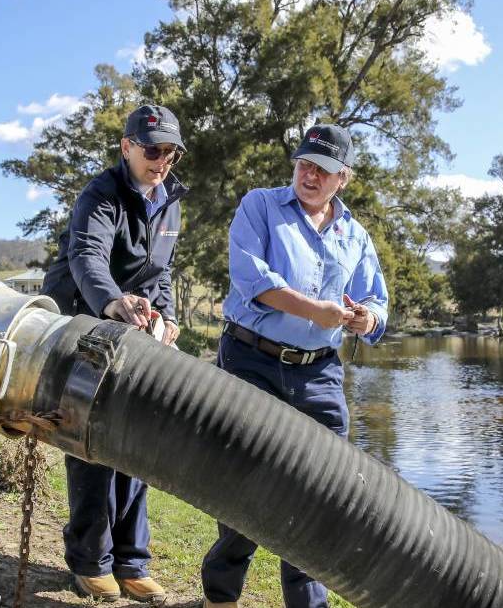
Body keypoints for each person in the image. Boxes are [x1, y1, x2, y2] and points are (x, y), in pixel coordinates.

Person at [200, 124, 389, 608]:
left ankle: (308, 602)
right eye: (305, 163)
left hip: (319, 372)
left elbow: (377, 303)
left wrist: (366, 318)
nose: (310, 174)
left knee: (320, 489)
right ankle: (222, 594)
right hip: (250, 360)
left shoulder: (356, 234)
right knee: (244, 479)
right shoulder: (260, 206)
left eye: (323, 170)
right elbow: (251, 280)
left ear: (342, 178)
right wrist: (315, 310)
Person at [41, 104, 189, 605]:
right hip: (84, 323)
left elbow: (159, 274)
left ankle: (131, 562)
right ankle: (89, 562)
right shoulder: (99, 196)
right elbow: (87, 259)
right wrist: (113, 302)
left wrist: (165, 317)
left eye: (170, 152)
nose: (162, 160)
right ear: (126, 147)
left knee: (137, 441)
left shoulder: (170, 202)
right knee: (91, 444)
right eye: (153, 150)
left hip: (137, 330)